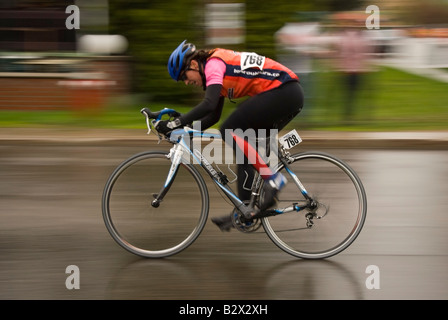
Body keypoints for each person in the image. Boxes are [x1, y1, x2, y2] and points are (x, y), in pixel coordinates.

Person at [156, 40, 304, 231]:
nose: (186, 82)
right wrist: (186, 129)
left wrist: (175, 123)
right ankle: (244, 211)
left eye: (184, 76)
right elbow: (212, 115)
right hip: (286, 94)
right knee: (244, 148)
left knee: (229, 129)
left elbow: (208, 104)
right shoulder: (215, 72)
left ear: (193, 64)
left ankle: (274, 180)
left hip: (284, 91)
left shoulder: (213, 65)